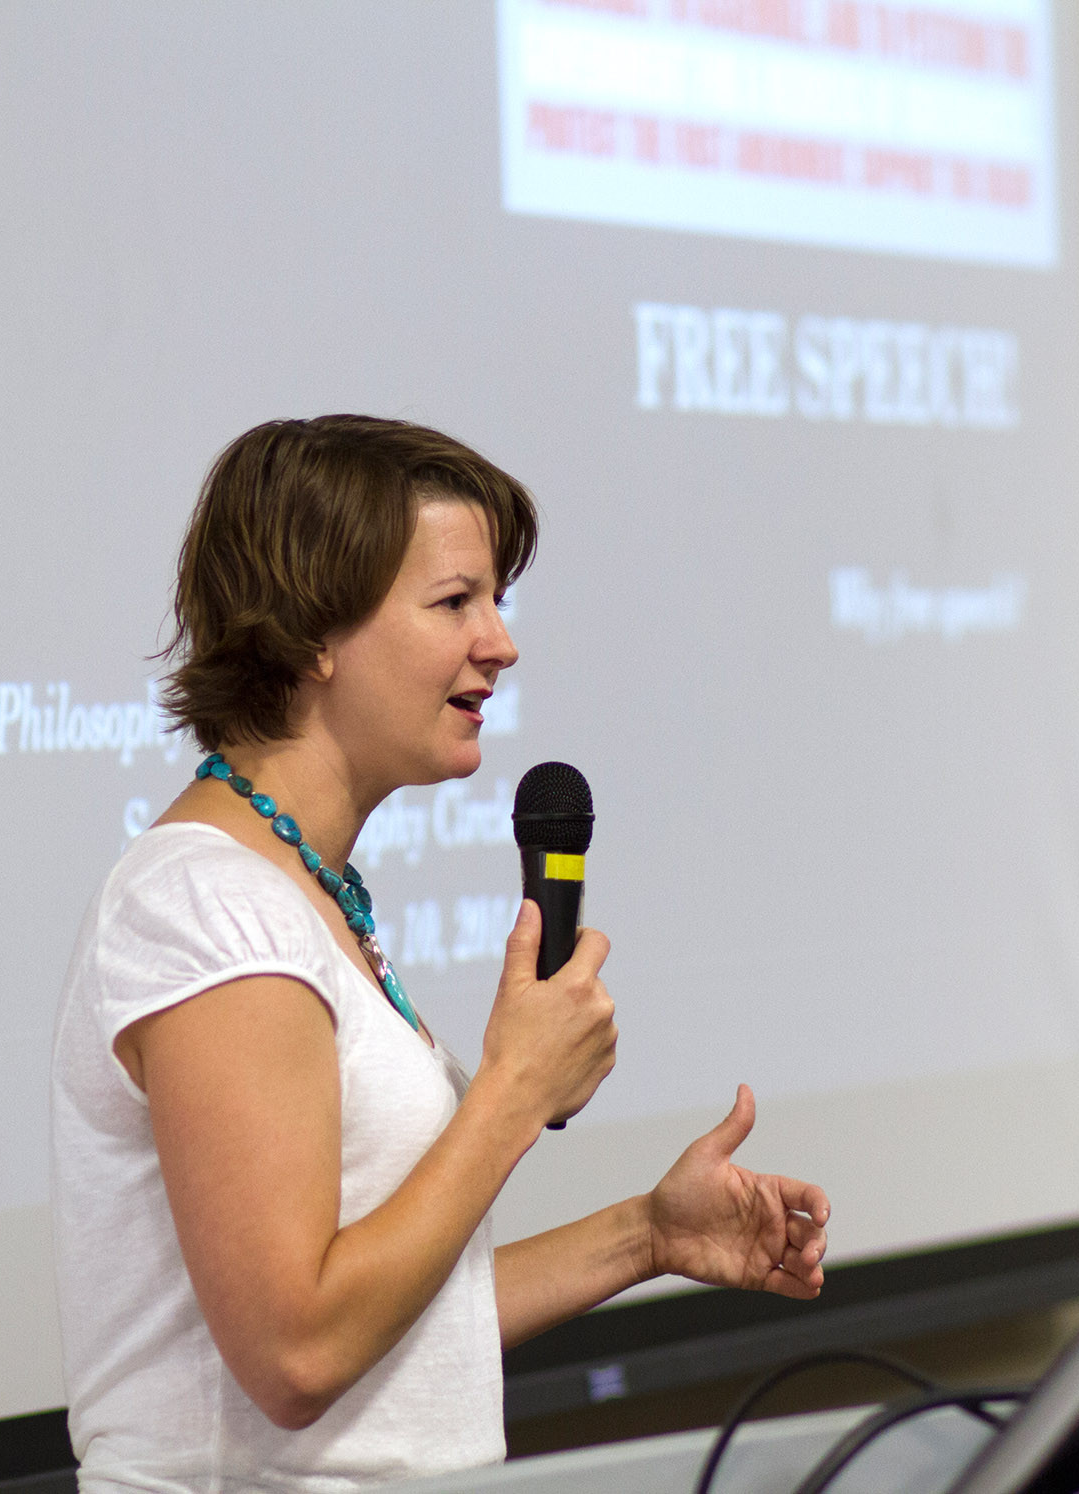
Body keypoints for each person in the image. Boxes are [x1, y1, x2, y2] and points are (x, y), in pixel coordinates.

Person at [49, 415, 831, 1492]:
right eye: (455, 601)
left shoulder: (303, 895)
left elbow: (399, 1341)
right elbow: (298, 1352)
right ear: (314, 632)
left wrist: (646, 1236)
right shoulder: (206, 908)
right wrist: (513, 1091)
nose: (500, 642)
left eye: (496, 601)